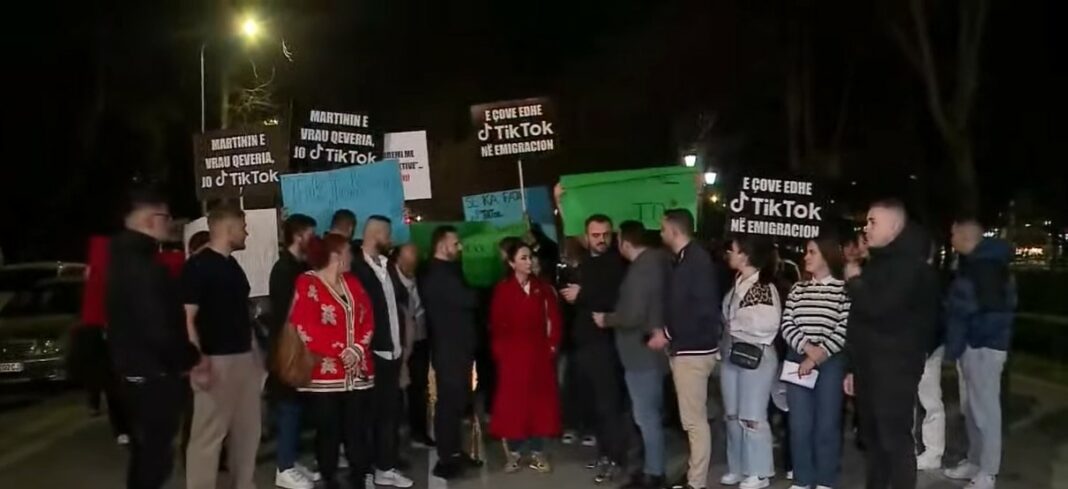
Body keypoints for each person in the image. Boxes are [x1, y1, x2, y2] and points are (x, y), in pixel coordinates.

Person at [842, 199, 939, 489]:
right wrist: (853, 367)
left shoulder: (909, 266)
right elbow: (860, 321)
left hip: (894, 369)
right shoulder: (880, 261)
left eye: (873, 222)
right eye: (866, 222)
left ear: (894, 227)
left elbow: (879, 308)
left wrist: (855, 282)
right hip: (869, 366)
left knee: (894, 441)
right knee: (873, 441)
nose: (866, 228)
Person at [107, 187, 199, 489]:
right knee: (154, 459)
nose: (170, 224)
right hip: (153, 377)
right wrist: (187, 357)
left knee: (146, 456)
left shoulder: (122, 261)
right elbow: (158, 328)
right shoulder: (144, 268)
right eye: (166, 217)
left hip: (135, 373)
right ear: (150, 220)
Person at [285, 233, 377, 489]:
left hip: (357, 372)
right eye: (347, 252)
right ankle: (329, 477)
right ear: (336, 255)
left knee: (357, 429)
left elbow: (368, 317)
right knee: (328, 431)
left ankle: (359, 476)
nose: (351, 257)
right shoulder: (307, 283)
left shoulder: (352, 282)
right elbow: (305, 327)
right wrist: (340, 351)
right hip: (324, 375)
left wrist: (357, 348)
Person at [181, 205, 263, 489]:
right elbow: (187, 318)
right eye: (243, 227)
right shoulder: (197, 267)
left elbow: (242, 314)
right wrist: (197, 361)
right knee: (208, 437)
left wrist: (255, 356)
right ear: (228, 229)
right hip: (215, 361)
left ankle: (244, 483)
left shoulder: (232, 266)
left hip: (243, 358)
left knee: (248, 432)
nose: (246, 233)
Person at [592, 221, 671, 489]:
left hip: (640, 353)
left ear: (625, 242)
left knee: (646, 417)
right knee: (649, 415)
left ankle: (654, 473)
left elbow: (633, 314)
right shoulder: (660, 263)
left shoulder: (641, 269)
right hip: (651, 352)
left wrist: (607, 319)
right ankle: (650, 468)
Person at [942, 218, 1016, 489]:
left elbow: (991, 311)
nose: (950, 239)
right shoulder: (979, 263)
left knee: (985, 411)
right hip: (977, 345)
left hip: (983, 347)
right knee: (973, 410)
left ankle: (988, 472)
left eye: (953, 234)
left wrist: (971, 341)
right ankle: (976, 462)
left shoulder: (985, 267)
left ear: (965, 237)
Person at [559, 214, 628, 483]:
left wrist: (582, 295)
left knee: (608, 405)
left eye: (605, 235)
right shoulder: (587, 261)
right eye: (596, 235)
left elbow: (615, 299)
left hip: (604, 344)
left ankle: (615, 458)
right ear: (587, 237)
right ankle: (604, 454)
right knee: (595, 404)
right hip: (584, 344)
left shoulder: (616, 263)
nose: (601, 240)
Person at [658, 209, 722, 489]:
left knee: (694, 422)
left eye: (663, 228)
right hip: (692, 348)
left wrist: (669, 333)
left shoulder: (694, 261)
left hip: (692, 350)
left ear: (674, 231)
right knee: (694, 420)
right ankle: (694, 474)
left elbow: (696, 308)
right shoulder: (690, 258)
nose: (661, 233)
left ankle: (696, 482)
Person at [780, 235, 851, 489]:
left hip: (830, 362)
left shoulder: (844, 290)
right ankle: (802, 479)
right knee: (799, 424)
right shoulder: (798, 289)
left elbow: (844, 328)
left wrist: (818, 355)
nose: (806, 257)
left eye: (812, 252)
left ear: (827, 255)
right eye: (806, 252)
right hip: (798, 359)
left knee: (826, 424)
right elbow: (787, 324)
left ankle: (825, 480)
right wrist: (807, 350)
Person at [349, 216, 413, 488]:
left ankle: (385, 467)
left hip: (393, 352)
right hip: (370, 353)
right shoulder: (355, 269)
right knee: (365, 418)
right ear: (376, 235)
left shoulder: (388, 267)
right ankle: (363, 471)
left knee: (389, 415)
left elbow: (399, 305)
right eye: (388, 235)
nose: (391, 240)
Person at [489, 241, 563, 473]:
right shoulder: (503, 290)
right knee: (514, 404)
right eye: (523, 258)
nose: (529, 262)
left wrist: (551, 346)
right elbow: (496, 325)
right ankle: (515, 452)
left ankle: (538, 451)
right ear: (512, 263)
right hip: (513, 356)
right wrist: (502, 352)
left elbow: (553, 319)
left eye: (530, 257)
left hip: (539, 354)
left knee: (540, 404)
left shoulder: (543, 289)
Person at [718, 235, 782, 489]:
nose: (729, 254)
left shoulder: (764, 287)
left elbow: (768, 323)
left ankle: (759, 472)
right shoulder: (737, 282)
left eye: (732, 250)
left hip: (757, 356)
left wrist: (736, 324)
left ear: (745, 255)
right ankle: (738, 467)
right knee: (732, 415)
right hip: (731, 353)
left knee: (752, 416)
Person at [420, 225, 482, 479]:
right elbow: (468, 299)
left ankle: (454, 451)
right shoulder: (437, 275)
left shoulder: (448, 270)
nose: (459, 247)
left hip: (459, 346)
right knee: (449, 403)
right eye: (455, 243)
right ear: (441, 245)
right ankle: (447, 457)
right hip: (449, 347)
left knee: (457, 402)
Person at [267, 214, 320, 489]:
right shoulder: (284, 269)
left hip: (302, 346)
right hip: (289, 347)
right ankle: (284, 467)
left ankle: (290, 460)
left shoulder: (301, 266)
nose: (315, 239)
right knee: (288, 406)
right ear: (298, 236)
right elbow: (289, 312)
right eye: (310, 234)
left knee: (297, 407)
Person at [393, 243, 434, 449]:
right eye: (408, 261)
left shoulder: (422, 279)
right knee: (397, 387)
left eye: (414, 262)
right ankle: (396, 430)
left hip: (420, 339)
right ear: (398, 259)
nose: (411, 266)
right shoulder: (390, 282)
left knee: (419, 386)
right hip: (398, 341)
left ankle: (418, 431)